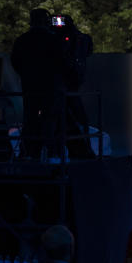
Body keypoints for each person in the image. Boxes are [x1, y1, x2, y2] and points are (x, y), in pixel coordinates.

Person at [10, 9, 68, 160]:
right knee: (51, 120)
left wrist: (27, 75)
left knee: (30, 120)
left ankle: (30, 153)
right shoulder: (54, 40)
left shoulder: (22, 40)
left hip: (30, 88)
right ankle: (52, 154)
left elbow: (15, 62)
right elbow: (64, 62)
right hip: (51, 88)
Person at [59, 14, 95, 159]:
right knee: (78, 120)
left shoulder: (78, 39)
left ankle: (81, 152)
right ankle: (82, 152)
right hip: (65, 89)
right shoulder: (78, 38)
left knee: (77, 120)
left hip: (67, 88)